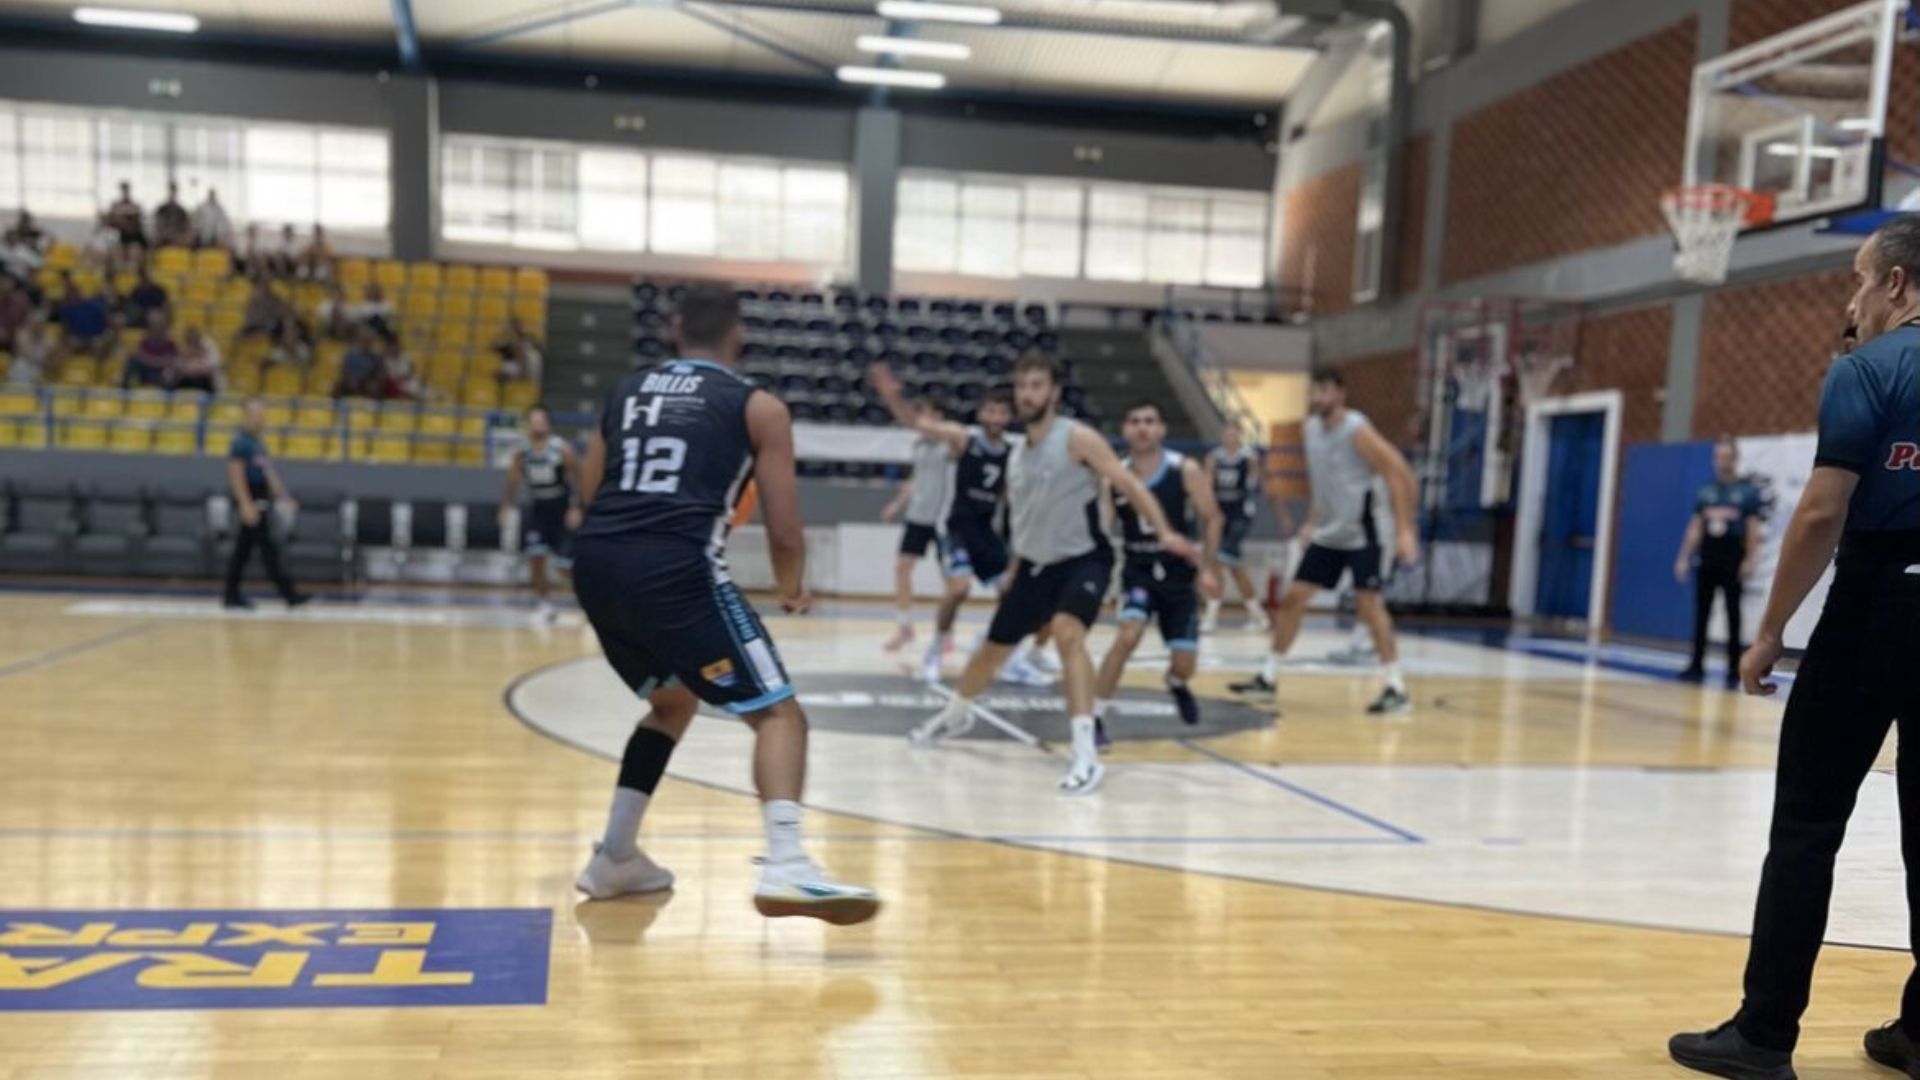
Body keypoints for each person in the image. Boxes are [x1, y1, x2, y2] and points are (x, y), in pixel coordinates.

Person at [1670, 217, 1920, 1075]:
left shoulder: (1867, 369)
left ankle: (1765, 1033)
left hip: (1877, 602)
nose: (1854, 296)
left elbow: (1820, 510)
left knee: (1808, 825)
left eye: (1859, 277)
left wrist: (1771, 628)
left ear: (1896, 283)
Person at [569, 282, 879, 923]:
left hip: (597, 565)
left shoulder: (625, 392)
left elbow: (591, 490)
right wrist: (791, 585)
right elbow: (784, 530)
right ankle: (788, 864)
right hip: (676, 568)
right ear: (738, 334)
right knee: (779, 713)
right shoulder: (758, 406)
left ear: (675, 330)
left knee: (672, 702)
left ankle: (616, 856)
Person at [885, 353, 1199, 795]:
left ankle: (1085, 753)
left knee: (1069, 634)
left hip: (1085, 559)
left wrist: (1164, 531)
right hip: (1033, 567)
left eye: (1036, 386)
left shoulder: (1077, 437)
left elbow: (1127, 483)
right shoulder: (1017, 456)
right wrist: (1015, 568)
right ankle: (956, 714)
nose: (1026, 394)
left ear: (1053, 392)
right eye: (1021, 386)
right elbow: (1026, 521)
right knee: (989, 654)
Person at [1230, 367, 1419, 715]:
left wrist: (1406, 530)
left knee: (1369, 604)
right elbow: (1326, 483)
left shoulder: (1357, 429)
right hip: (1331, 530)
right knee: (1293, 598)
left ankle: (1396, 686)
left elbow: (1398, 472)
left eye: (1324, 391)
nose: (1317, 397)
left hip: (1365, 530)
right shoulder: (1310, 431)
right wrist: (1312, 521)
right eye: (1313, 391)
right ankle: (1267, 677)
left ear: (1340, 394)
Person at [871, 387, 1023, 683]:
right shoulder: (964, 438)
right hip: (955, 528)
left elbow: (1007, 494)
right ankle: (937, 646)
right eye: (990, 411)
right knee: (958, 589)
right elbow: (918, 424)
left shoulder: (1012, 451)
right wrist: (893, 398)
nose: (995, 417)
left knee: (1014, 594)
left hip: (986, 531)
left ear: (1010, 417)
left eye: (1002, 412)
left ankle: (999, 650)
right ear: (980, 413)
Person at [1091, 401, 1223, 733]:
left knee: (1184, 661)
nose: (1142, 428)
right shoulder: (1114, 477)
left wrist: (1207, 568)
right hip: (1138, 571)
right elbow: (1103, 528)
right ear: (1125, 430)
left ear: (1162, 429)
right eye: (1135, 421)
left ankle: (1176, 682)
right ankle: (1094, 718)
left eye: (1149, 421)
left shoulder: (1185, 469)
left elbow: (1213, 518)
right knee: (1127, 636)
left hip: (1179, 575)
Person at [1673, 436, 1764, 687]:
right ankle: (1696, 663)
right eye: (1718, 457)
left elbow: (1752, 528)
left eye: (1727, 457)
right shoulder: (1706, 491)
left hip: (1732, 555)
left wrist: (1750, 558)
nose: (1722, 462)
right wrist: (1684, 557)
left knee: (1733, 612)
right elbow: (1695, 526)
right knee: (1701, 611)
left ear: (1735, 459)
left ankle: (1734, 667)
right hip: (1708, 554)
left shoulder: (1746, 491)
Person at [878, 397, 959, 655]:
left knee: (951, 579)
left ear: (939, 417)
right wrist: (897, 504)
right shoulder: (919, 444)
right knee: (902, 568)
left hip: (942, 519)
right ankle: (904, 627)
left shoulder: (950, 445)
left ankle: (946, 632)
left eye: (926, 413)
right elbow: (916, 477)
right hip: (917, 516)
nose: (921, 420)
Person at [223, 399, 311, 611]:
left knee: (246, 550)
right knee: (265, 549)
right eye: (255, 415)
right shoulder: (240, 443)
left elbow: (268, 473)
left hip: (261, 497)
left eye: (261, 415)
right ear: (246, 416)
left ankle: (232, 595)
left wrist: (284, 497)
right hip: (251, 497)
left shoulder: (258, 443)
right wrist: (245, 504)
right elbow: (236, 475)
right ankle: (288, 594)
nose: (259, 419)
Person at [500, 405, 583, 624]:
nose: (537, 425)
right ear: (528, 424)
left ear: (548, 423)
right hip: (537, 506)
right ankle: (545, 605)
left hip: (561, 506)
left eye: (541, 420)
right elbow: (513, 482)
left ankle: (588, 599)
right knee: (535, 557)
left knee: (564, 565)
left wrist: (577, 507)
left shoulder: (561, 448)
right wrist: (506, 506)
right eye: (533, 421)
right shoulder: (521, 452)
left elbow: (578, 477)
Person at [1201, 425, 1285, 632]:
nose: (1230, 438)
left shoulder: (1249, 458)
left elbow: (1263, 483)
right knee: (1235, 568)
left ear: (1239, 437)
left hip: (1240, 514)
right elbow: (1206, 486)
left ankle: (1211, 616)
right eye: (1227, 434)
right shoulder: (1214, 458)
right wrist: (1207, 512)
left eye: (1234, 434)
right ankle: (1259, 616)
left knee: (1220, 561)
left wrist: (1280, 513)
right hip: (1220, 515)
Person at [122, 310, 179, 390]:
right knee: (132, 360)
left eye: (160, 326)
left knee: (170, 373)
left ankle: (168, 394)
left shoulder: (170, 344)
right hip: (147, 371)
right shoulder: (145, 342)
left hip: (160, 373)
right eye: (155, 326)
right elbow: (141, 356)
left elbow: (173, 359)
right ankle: (124, 388)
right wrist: (158, 361)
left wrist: (155, 361)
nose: (157, 329)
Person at [173, 325, 222, 394]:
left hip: (203, 379)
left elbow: (212, 365)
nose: (193, 342)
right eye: (190, 339)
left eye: (194, 339)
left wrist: (199, 368)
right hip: (187, 378)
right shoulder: (184, 349)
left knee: (209, 380)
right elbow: (179, 365)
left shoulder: (205, 347)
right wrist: (187, 368)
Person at [105, 181, 145, 251]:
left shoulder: (135, 205)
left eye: (126, 190)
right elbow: (111, 218)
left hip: (132, 233)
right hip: (119, 232)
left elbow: (138, 216)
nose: (125, 192)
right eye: (123, 190)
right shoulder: (115, 205)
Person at [152, 182, 191, 248]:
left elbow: (186, 227)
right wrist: (166, 232)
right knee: (155, 238)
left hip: (178, 237)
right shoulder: (161, 209)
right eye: (171, 191)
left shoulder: (182, 211)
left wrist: (178, 235)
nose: (172, 194)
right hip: (164, 236)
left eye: (173, 192)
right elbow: (158, 225)